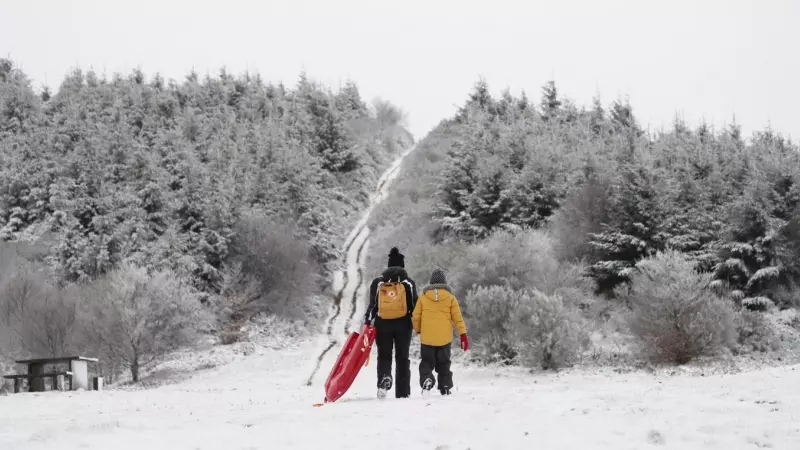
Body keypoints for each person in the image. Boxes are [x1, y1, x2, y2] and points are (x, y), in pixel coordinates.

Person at [363, 247, 418, 399]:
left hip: (383, 323)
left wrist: (367, 322)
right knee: (402, 357)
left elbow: (373, 305)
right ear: (402, 266)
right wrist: (418, 323)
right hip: (403, 324)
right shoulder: (408, 283)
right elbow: (415, 305)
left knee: (384, 356)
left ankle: (383, 381)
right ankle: (402, 392)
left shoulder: (378, 283)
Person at [411, 267, 468, 395]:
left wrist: (418, 329)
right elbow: (457, 318)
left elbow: (416, 316)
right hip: (444, 338)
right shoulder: (450, 298)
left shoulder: (423, 298)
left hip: (427, 338)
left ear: (431, 283)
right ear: (444, 283)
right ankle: (445, 386)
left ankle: (427, 379)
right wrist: (463, 334)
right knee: (444, 363)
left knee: (426, 362)